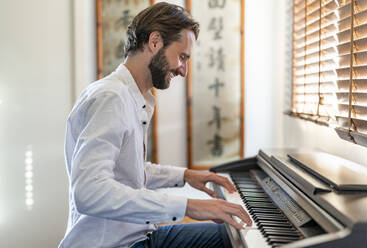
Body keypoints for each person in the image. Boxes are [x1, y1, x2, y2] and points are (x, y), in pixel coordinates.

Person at [59, 2, 251, 248]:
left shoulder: (132, 97)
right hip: (115, 244)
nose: (183, 70)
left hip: (139, 235)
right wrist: (189, 206)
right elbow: (90, 191)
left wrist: (186, 176)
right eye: (182, 57)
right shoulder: (111, 98)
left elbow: (127, 173)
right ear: (155, 42)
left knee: (233, 237)